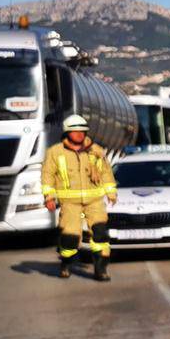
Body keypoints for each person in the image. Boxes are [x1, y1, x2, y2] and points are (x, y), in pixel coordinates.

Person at [41, 114, 118, 281]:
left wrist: (111, 192)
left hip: (94, 201)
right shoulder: (55, 152)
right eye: (76, 132)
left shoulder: (96, 151)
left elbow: (106, 173)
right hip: (70, 203)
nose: (80, 135)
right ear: (67, 133)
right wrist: (49, 197)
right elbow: (48, 175)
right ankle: (66, 263)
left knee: (100, 235)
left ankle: (101, 269)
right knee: (70, 237)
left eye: (83, 131)